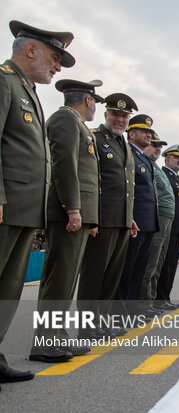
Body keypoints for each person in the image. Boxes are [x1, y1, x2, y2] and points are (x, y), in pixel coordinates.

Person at [0, 20, 75, 383]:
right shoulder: (3, 81)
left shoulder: (26, 89)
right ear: (31, 50)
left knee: (8, 290)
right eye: (54, 56)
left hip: (24, 209)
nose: (57, 66)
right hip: (6, 205)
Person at [29, 79, 103, 363]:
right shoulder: (64, 120)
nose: (94, 106)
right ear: (87, 101)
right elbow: (64, 166)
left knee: (67, 278)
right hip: (66, 212)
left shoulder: (77, 124)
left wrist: (89, 215)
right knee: (58, 278)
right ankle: (45, 341)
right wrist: (73, 208)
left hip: (79, 213)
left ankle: (56, 336)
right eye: (95, 102)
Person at [77, 93, 138, 339]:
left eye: (124, 116)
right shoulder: (95, 138)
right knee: (94, 276)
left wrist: (130, 216)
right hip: (101, 220)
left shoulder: (123, 144)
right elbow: (90, 179)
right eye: (115, 114)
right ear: (106, 115)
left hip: (121, 220)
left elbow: (124, 184)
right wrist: (91, 217)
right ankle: (87, 328)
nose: (120, 119)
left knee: (111, 277)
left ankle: (100, 324)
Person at [116, 114, 159, 315]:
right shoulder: (127, 153)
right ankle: (121, 311)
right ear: (131, 134)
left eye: (150, 132)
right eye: (145, 131)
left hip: (148, 223)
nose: (149, 135)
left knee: (139, 270)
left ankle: (132, 310)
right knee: (127, 269)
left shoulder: (142, 157)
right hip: (136, 222)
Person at [140, 134, 174, 314]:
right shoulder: (143, 164)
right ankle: (144, 303)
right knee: (151, 262)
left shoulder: (155, 167)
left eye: (160, 146)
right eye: (154, 145)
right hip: (156, 217)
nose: (157, 149)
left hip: (166, 217)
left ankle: (151, 301)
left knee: (158, 261)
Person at [156, 144, 179, 309]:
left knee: (171, 264)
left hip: (177, 227)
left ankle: (165, 297)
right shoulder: (164, 175)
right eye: (176, 157)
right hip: (169, 227)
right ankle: (160, 298)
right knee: (164, 264)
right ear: (166, 158)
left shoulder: (176, 177)